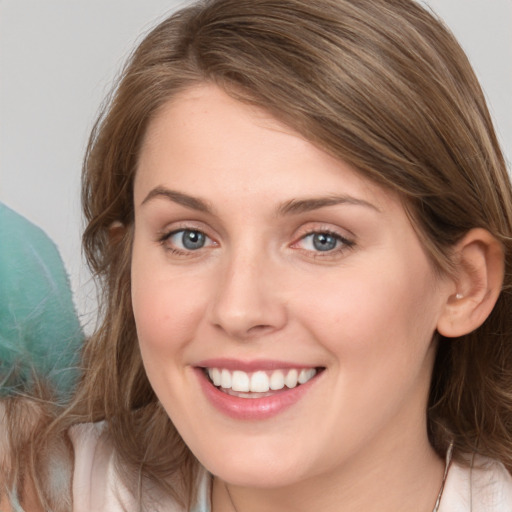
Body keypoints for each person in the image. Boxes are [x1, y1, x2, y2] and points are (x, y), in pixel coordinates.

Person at [2, 0, 512, 510]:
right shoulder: (37, 489)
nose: (239, 310)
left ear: (465, 284)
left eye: (322, 240)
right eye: (189, 237)